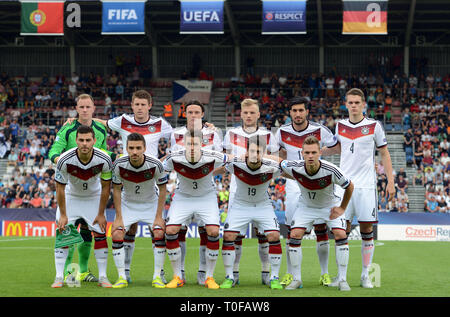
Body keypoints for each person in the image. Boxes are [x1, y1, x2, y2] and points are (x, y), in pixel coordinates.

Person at [326, 88, 395, 288]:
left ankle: (365, 275)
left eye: (357, 102)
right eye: (351, 102)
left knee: (366, 229)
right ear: (346, 104)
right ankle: (341, 276)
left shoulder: (374, 126)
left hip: (366, 186)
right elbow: (337, 148)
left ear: (363, 104)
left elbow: (385, 154)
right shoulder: (340, 126)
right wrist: (316, 151)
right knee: (341, 229)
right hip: (343, 185)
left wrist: (390, 181)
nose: (354, 105)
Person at [274, 96, 339, 287]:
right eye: (294, 110)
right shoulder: (282, 132)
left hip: (318, 182)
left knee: (320, 228)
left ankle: (325, 273)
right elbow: (274, 151)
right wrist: (282, 159)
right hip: (295, 182)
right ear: (290, 113)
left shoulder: (320, 130)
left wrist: (319, 155)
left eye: (301, 110)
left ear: (307, 112)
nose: (298, 114)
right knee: (292, 230)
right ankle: (291, 274)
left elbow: (336, 147)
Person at [48, 94, 111, 283]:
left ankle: (83, 271)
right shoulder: (67, 128)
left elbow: (104, 150)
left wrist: (114, 156)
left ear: (93, 108)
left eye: (88, 107)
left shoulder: (100, 128)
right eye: (81, 107)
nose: (84, 110)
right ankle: (68, 272)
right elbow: (54, 150)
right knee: (68, 231)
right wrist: (64, 163)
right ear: (76, 108)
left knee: (86, 232)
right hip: (72, 182)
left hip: (92, 185)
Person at [280, 136, 354, 291]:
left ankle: (342, 279)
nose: (310, 156)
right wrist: (256, 156)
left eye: (314, 152)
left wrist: (342, 208)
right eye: (307, 153)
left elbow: (350, 186)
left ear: (320, 152)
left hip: (329, 207)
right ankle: (297, 279)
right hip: (306, 207)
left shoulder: (331, 169)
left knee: (340, 235)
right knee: (294, 235)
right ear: (302, 153)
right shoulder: (294, 166)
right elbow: (278, 162)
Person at [222, 98, 279, 286]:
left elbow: (276, 159)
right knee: (235, 235)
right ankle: (234, 273)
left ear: (258, 114)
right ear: (240, 114)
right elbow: (225, 159)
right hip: (238, 189)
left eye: (252, 112)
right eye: (245, 113)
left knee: (263, 233)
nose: (248, 116)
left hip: (260, 188)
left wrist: (257, 156)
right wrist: (241, 157)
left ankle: (266, 272)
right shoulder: (231, 133)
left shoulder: (268, 135)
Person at [162, 130, 228, 289]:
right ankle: (177, 276)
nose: (192, 147)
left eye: (195, 144)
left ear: (202, 144)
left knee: (212, 232)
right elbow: (159, 168)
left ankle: (209, 277)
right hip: (183, 198)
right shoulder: (174, 157)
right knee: (170, 231)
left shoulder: (212, 155)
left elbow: (232, 161)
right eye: (189, 143)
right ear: (184, 144)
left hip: (206, 198)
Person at [170, 100, 223, 285]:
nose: (193, 115)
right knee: (178, 231)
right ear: (185, 114)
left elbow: (221, 162)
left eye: (197, 112)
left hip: (205, 190)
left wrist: (202, 171)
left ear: (202, 114)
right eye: (190, 112)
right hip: (183, 190)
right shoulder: (175, 134)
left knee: (207, 232)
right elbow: (174, 161)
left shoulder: (213, 133)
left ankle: (204, 273)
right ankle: (180, 273)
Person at [111, 133, 168, 289]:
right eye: (131, 148)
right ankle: (122, 276)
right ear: (126, 148)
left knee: (159, 232)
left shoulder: (155, 164)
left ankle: (157, 276)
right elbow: (116, 190)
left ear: (144, 148)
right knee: (116, 232)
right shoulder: (118, 164)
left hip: (150, 203)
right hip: (128, 203)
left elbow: (163, 189)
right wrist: (118, 217)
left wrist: (158, 217)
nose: (134, 152)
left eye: (138, 148)